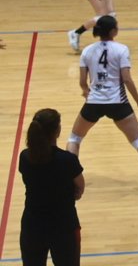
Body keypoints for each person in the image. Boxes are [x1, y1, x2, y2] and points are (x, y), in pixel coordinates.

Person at [67, 15, 138, 197]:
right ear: (113, 31)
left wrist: (87, 92)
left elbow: (82, 82)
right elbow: (126, 79)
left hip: (94, 102)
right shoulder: (121, 50)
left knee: (75, 139)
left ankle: (68, 176)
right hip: (118, 102)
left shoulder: (87, 51)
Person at [19, 108, 84, 266]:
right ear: (57, 131)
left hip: (33, 225)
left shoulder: (25, 157)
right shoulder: (67, 160)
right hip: (64, 226)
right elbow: (80, 188)